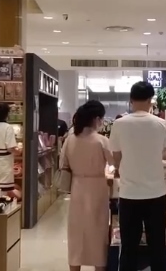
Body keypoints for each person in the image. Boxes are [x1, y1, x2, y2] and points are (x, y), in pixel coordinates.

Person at [110, 81, 166, 271]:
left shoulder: (119, 124)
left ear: (131, 100)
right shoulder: (160, 123)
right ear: (150, 100)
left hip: (129, 194)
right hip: (156, 194)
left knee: (128, 246)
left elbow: (116, 157)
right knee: (158, 245)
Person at [62, 100, 112, 271]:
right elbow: (115, 162)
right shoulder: (102, 141)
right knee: (98, 231)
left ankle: (74, 267)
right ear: (96, 119)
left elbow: (63, 164)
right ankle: (99, 265)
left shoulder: (70, 140)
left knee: (76, 231)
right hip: (98, 188)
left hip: (77, 187)